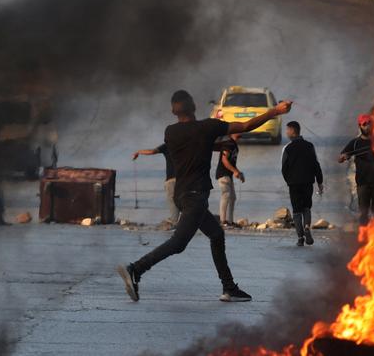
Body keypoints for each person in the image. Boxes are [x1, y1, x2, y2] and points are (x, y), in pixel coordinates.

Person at [117, 90, 292, 302]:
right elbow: (246, 126)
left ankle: (229, 287)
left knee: (216, 235)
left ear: (173, 110)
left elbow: (195, 145)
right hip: (195, 196)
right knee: (178, 243)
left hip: (181, 195)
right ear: (193, 105)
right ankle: (136, 269)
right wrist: (275, 110)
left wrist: (216, 145)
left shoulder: (170, 132)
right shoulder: (208, 127)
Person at [338, 114, 374, 225]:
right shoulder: (355, 143)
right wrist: (344, 156)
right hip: (363, 183)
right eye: (365, 124)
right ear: (360, 126)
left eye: (370, 123)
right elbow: (340, 158)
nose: (368, 126)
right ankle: (364, 236)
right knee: (363, 214)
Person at [281, 121, 323, 246]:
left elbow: (284, 168)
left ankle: (300, 238)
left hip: (294, 184)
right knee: (306, 207)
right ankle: (306, 227)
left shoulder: (287, 148)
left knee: (296, 211)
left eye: (288, 130)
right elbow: (316, 165)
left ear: (293, 131)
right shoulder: (310, 146)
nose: (286, 132)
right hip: (307, 182)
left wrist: (289, 181)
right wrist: (319, 181)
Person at [132, 144, 179, 225]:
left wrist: (138, 152)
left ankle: (174, 221)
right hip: (185, 178)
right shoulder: (186, 144)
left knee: (172, 200)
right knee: (183, 200)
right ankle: (185, 220)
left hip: (172, 179)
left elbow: (152, 151)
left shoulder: (168, 144)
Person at [215, 134, 243, 227]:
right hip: (223, 174)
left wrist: (238, 173)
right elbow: (224, 160)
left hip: (228, 175)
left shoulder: (234, 145)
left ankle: (229, 221)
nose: (242, 131)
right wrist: (235, 171)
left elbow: (232, 162)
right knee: (226, 195)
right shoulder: (228, 144)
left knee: (232, 197)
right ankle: (223, 221)